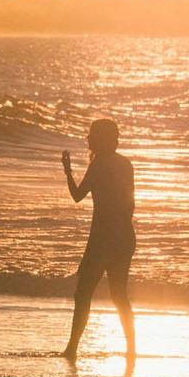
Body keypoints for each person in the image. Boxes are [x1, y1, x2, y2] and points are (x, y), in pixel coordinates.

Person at [59, 118, 137, 360]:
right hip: (124, 236)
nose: (87, 139)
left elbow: (77, 196)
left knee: (83, 293)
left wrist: (67, 170)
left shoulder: (99, 164)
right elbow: (130, 203)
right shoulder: (126, 164)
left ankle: (72, 348)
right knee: (119, 295)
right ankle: (132, 349)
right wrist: (121, 228)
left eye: (91, 135)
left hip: (103, 237)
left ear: (101, 139)